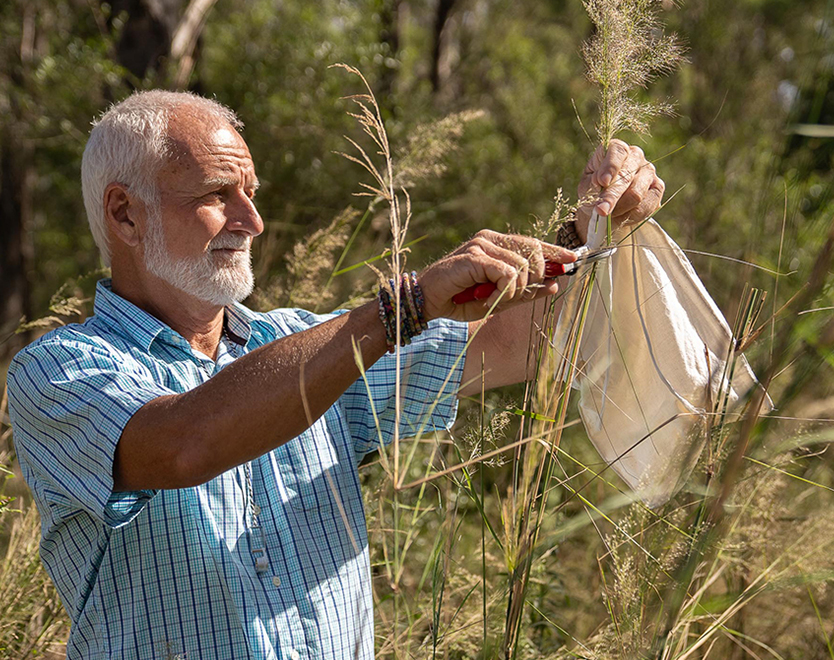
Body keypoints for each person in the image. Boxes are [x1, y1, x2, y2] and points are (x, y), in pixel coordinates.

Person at [6, 90, 663, 659]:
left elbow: (519, 343)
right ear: (124, 213)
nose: (252, 221)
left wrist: (598, 228)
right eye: (216, 195)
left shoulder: (304, 342)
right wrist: (400, 307)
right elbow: (184, 443)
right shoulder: (60, 370)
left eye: (251, 195)